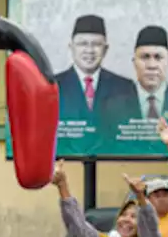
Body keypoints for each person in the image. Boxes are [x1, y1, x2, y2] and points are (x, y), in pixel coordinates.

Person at [54, 14, 134, 149]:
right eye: (82, 44)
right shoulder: (53, 86)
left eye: (96, 44)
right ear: (71, 47)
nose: (89, 50)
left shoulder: (124, 87)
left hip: (110, 165)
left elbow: (127, 137)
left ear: (106, 49)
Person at [98, 25, 168, 132]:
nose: (151, 65)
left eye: (158, 57)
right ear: (134, 62)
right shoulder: (112, 107)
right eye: (145, 57)